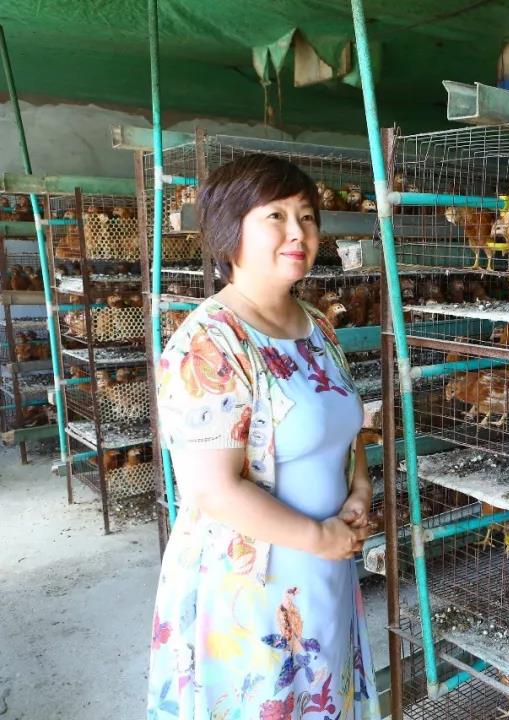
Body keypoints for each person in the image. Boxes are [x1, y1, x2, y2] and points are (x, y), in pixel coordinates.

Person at [146, 154, 380, 719]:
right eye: (275, 216)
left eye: (307, 216)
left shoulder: (318, 326)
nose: (298, 232)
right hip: (249, 588)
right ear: (230, 230)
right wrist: (316, 535)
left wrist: (359, 489)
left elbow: (346, 427)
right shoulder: (209, 342)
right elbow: (214, 490)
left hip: (322, 567)